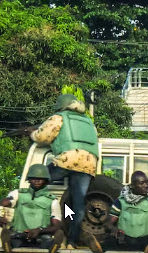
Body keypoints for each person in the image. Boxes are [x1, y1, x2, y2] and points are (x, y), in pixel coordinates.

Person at [30, 94, 100, 249]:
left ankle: (37, 225)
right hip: (88, 165)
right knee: (78, 206)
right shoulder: (89, 122)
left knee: (36, 181)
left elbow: (43, 137)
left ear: (61, 106)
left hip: (67, 159)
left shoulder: (59, 117)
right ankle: (72, 242)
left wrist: (31, 133)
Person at [0, 164, 64, 253]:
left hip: (41, 237)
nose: (37, 180)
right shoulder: (17, 194)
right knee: (11, 238)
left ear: (46, 181)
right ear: (29, 179)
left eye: (40, 178)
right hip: (19, 235)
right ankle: (7, 246)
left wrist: (39, 230)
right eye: (34, 178)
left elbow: (57, 226)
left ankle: (54, 247)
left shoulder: (52, 201)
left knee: (51, 240)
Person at [104, 171, 148, 253]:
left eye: (147, 183)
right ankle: (98, 248)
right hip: (124, 239)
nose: (146, 186)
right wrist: (114, 229)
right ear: (132, 186)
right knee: (109, 240)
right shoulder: (120, 201)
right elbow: (108, 223)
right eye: (142, 183)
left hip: (145, 239)